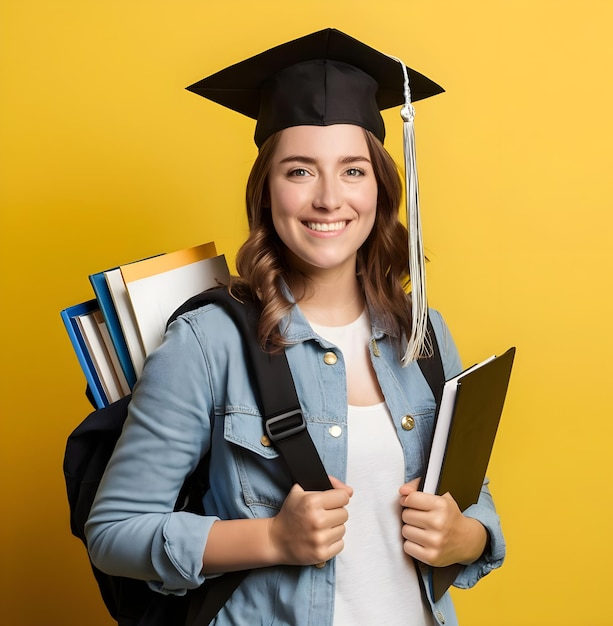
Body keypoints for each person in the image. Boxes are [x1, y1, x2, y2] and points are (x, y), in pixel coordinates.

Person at [86, 28, 505, 626]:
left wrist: (464, 537)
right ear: (266, 191)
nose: (330, 198)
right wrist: (273, 541)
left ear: (383, 188)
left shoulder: (423, 331)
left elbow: (471, 501)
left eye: (353, 171)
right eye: (300, 171)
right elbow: (113, 532)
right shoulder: (210, 340)